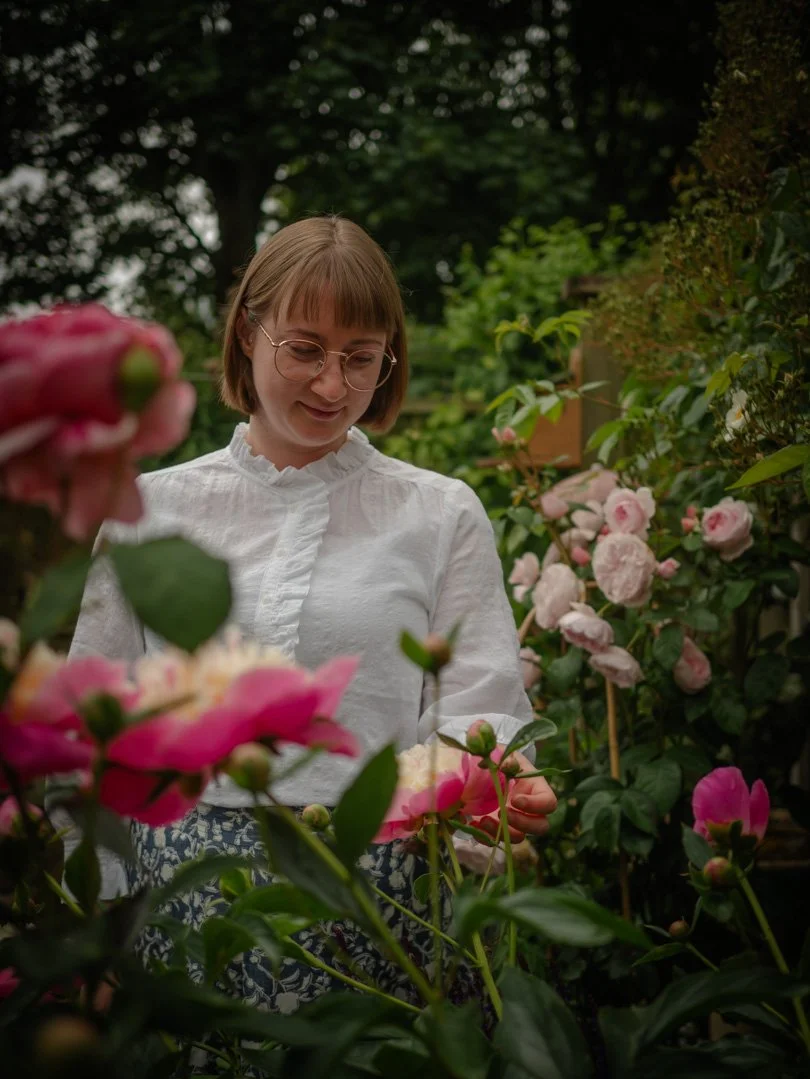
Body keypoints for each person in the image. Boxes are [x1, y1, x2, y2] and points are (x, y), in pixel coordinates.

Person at [67, 214, 556, 1022]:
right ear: (249, 334)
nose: (333, 386)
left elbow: (479, 704)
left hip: (385, 906)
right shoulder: (149, 513)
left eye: (361, 358)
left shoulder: (438, 514)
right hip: (189, 900)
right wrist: (98, 922)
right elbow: (97, 729)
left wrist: (498, 782)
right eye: (305, 349)